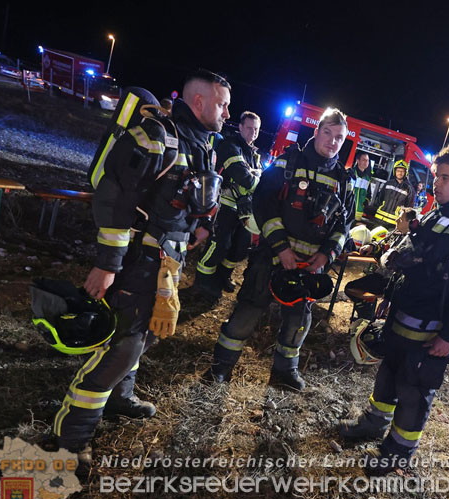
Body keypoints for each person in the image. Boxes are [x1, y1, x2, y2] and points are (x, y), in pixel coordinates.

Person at [52, 70, 231, 461]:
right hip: (138, 263)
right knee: (123, 345)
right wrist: (108, 264)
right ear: (198, 102)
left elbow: (196, 196)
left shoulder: (203, 144)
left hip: (169, 262)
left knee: (147, 335)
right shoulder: (157, 137)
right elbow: (113, 197)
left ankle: (121, 397)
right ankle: (71, 441)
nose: (227, 112)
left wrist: (202, 227)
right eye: (221, 103)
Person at [337, 142, 449, 476]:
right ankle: (372, 424)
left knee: (413, 391)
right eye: (435, 175)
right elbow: (411, 258)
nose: (436, 183)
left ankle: (397, 452)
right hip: (400, 320)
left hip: (430, 334)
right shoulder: (436, 215)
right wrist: (390, 294)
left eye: (445, 177)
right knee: (387, 378)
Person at [205, 108, 354, 390]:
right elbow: (263, 204)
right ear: (316, 131)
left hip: (309, 266)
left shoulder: (344, 180)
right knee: (248, 311)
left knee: (299, 322)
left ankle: (286, 370)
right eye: (328, 133)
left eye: (339, 138)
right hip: (272, 256)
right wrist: (282, 248)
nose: (333, 141)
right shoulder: (288, 162)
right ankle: (221, 367)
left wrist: (325, 256)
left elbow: (345, 224)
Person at [193, 111, 263, 300]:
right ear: (240, 127)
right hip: (223, 206)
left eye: (256, 129)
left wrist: (255, 175)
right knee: (219, 245)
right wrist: (257, 181)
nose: (253, 132)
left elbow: (257, 174)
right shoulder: (230, 146)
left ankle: (222, 277)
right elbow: (243, 176)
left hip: (243, 211)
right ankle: (203, 281)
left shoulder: (254, 154)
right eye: (249, 128)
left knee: (239, 248)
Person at [344, 207, 418, 322]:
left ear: (409, 222)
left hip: (391, 282)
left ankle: (367, 317)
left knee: (351, 288)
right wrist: (372, 246)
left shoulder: (412, 243)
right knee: (350, 287)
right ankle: (366, 315)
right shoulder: (396, 233)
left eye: (400, 219)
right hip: (380, 276)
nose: (397, 220)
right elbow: (382, 243)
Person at [368, 160, 414, 229]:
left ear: (405, 173)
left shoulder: (409, 189)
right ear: (394, 171)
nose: (400, 173)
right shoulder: (388, 183)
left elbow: (408, 208)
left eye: (402, 171)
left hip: (393, 224)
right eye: (398, 171)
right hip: (379, 219)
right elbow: (379, 199)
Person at [350, 152, 373, 221]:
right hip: (347, 210)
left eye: (367, 160)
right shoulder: (350, 173)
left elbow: (368, 195)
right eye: (364, 160)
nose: (366, 162)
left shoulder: (367, 179)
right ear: (357, 161)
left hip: (358, 213)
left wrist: (364, 204)